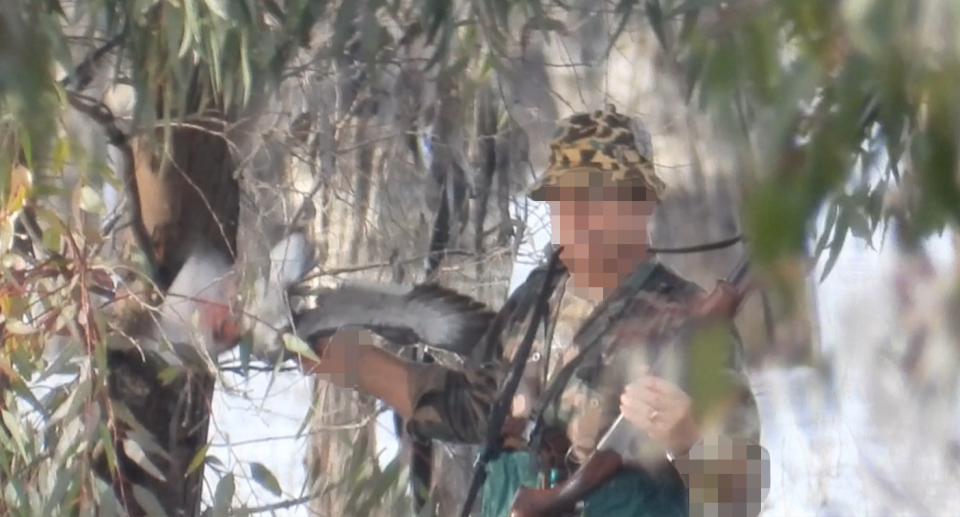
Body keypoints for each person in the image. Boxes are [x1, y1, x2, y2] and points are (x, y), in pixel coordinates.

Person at [302, 105, 767, 517]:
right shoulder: (536, 300)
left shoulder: (689, 325)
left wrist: (686, 438)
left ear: (641, 202)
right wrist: (349, 362)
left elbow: (741, 500)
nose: (576, 214)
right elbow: (475, 407)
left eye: (596, 195)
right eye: (565, 197)